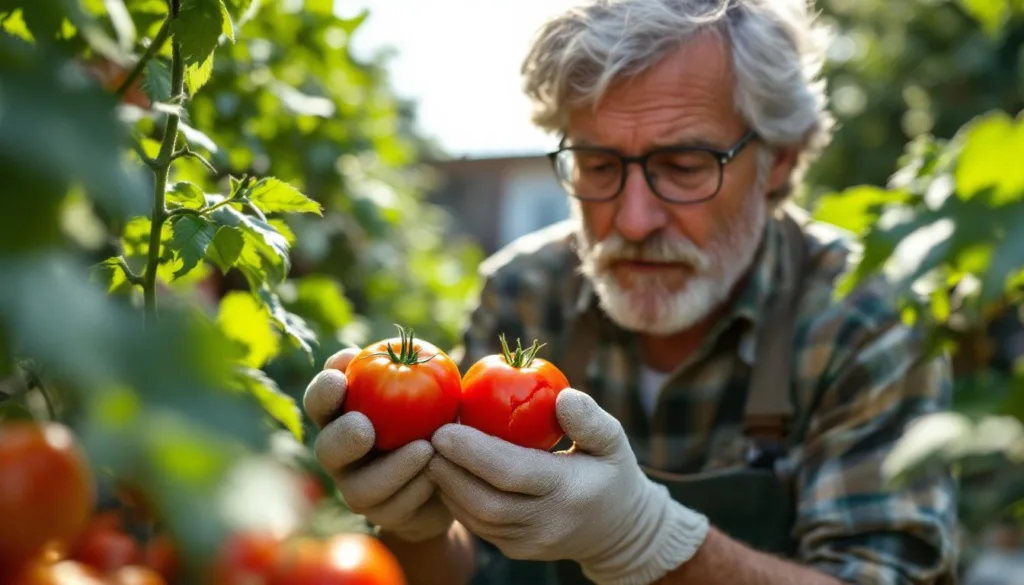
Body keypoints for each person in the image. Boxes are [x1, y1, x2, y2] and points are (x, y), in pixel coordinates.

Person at [302, 0, 960, 583]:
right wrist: (414, 529)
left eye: (683, 166)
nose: (633, 219)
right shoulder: (527, 292)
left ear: (779, 159)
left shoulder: (865, 316)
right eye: (598, 165)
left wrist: (650, 542)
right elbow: (469, 567)